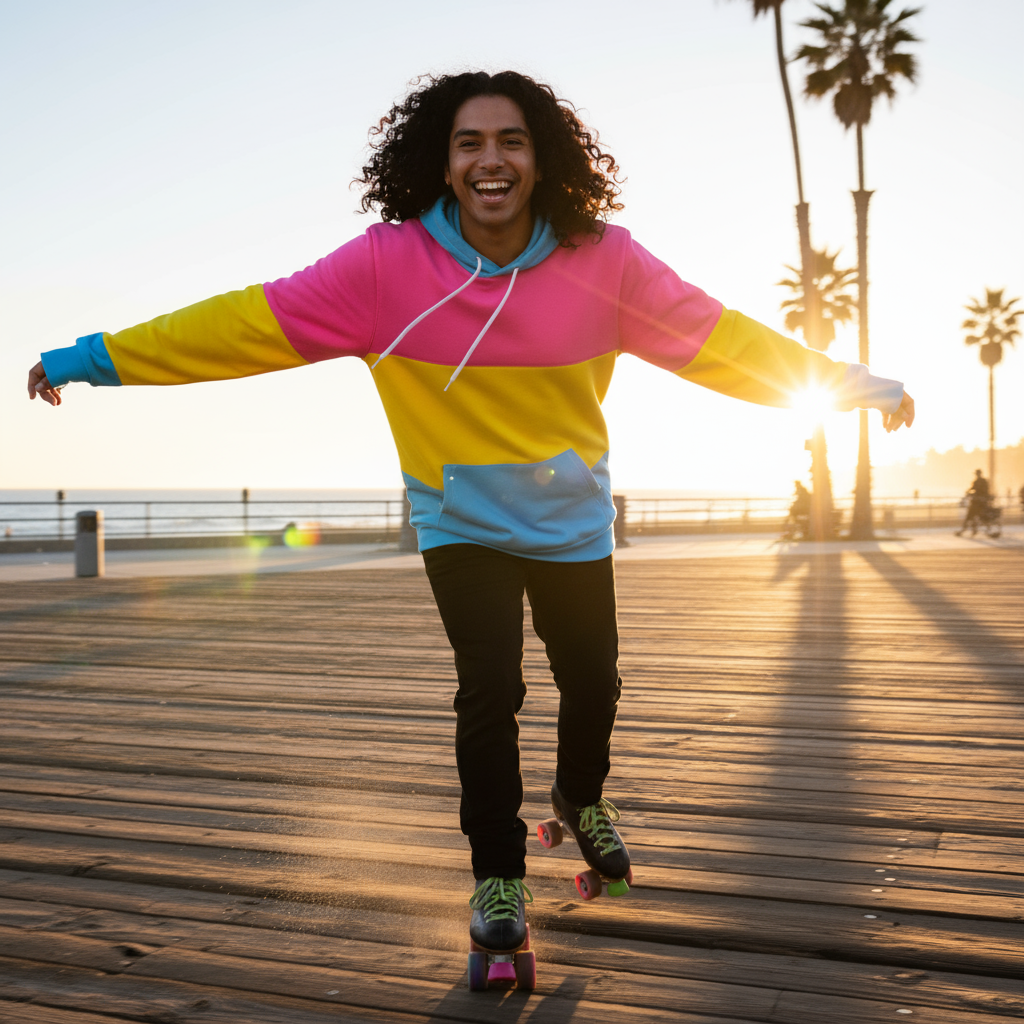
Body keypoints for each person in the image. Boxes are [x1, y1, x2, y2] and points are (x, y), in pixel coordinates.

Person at [27, 70, 915, 958]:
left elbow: (719, 340)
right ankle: (498, 873)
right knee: (490, 689)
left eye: (512, 141)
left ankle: (581, 795)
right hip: (460, 524)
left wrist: (848, 385)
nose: (491, 160)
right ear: (442, 165)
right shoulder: (383, 270)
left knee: (595, 683)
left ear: (543, 161)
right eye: (469, 144)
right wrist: (89, 358)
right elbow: (240, 325)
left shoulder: (605, 261)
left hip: (571, 521)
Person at [956, 469, 990, 536]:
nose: (976, 475)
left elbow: (977, 490)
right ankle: (974, 530)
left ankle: (966, 530)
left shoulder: (980, 481)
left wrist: (969, 493)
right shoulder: (980, 481)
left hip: (978, 502)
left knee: (970, 516)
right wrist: (969, 492)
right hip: (980, 502)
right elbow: (973, 488)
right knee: (975, 516)